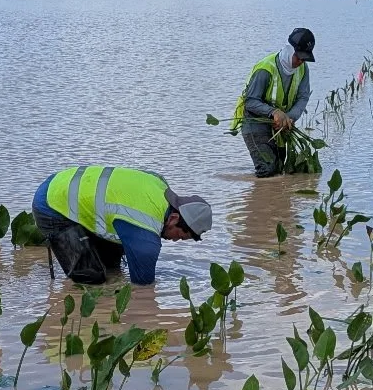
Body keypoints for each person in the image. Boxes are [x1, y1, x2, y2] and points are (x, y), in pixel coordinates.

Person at [31, 164, 212, 285]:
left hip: (64, 179)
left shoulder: (159, 183)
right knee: (91, 278)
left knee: (113, 266)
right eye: (180, 236)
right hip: (51, 204)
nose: (176, 241)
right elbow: (143, 289)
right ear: (173, 218)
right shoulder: (146, 239)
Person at [232, 27, 316, 176]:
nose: (301, 62)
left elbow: (303, 97)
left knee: (279, 169)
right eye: (298, 57)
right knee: (267, 169)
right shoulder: (266, 68)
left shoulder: (303, 70)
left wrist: (289, 117)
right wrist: (274, 112)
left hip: (279, 125)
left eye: (305, 58)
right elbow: (250, 101)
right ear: (289, 50)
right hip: (254, 120)